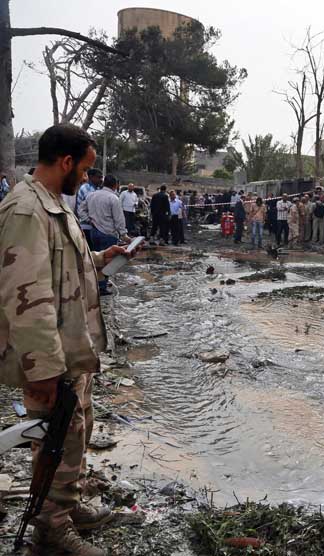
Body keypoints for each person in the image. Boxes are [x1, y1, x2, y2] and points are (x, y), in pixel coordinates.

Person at [0, 124, 134, 556]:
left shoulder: (54, 204)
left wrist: (101, 258)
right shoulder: (24, 211)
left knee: (76, 432)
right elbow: (27, 296)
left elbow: (64, 269)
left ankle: (67, 505)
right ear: (66, 162)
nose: (89, 179)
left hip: (72, 351)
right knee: (57, 436)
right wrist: (44, 370)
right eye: (87, 169)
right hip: (51, 356)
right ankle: (51, 529)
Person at [87, 174, 129, 295]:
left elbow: (81, 209)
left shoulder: (91, 195)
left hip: (94, 231)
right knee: (107, 261)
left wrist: (89, 220)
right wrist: (124, 234)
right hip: (108, 233)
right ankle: (102, 286)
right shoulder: (113, 198)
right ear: (115, 185)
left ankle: (96, 283)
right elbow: (119, 218)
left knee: (96, 258)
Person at [75, 168, 103, 245]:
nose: (101, 180)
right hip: (87, 226)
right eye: (99, 177)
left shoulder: (95, 188)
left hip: (92, 226)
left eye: (101, 177)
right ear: (91, 177)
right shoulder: (87, 188)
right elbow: (93, 207)